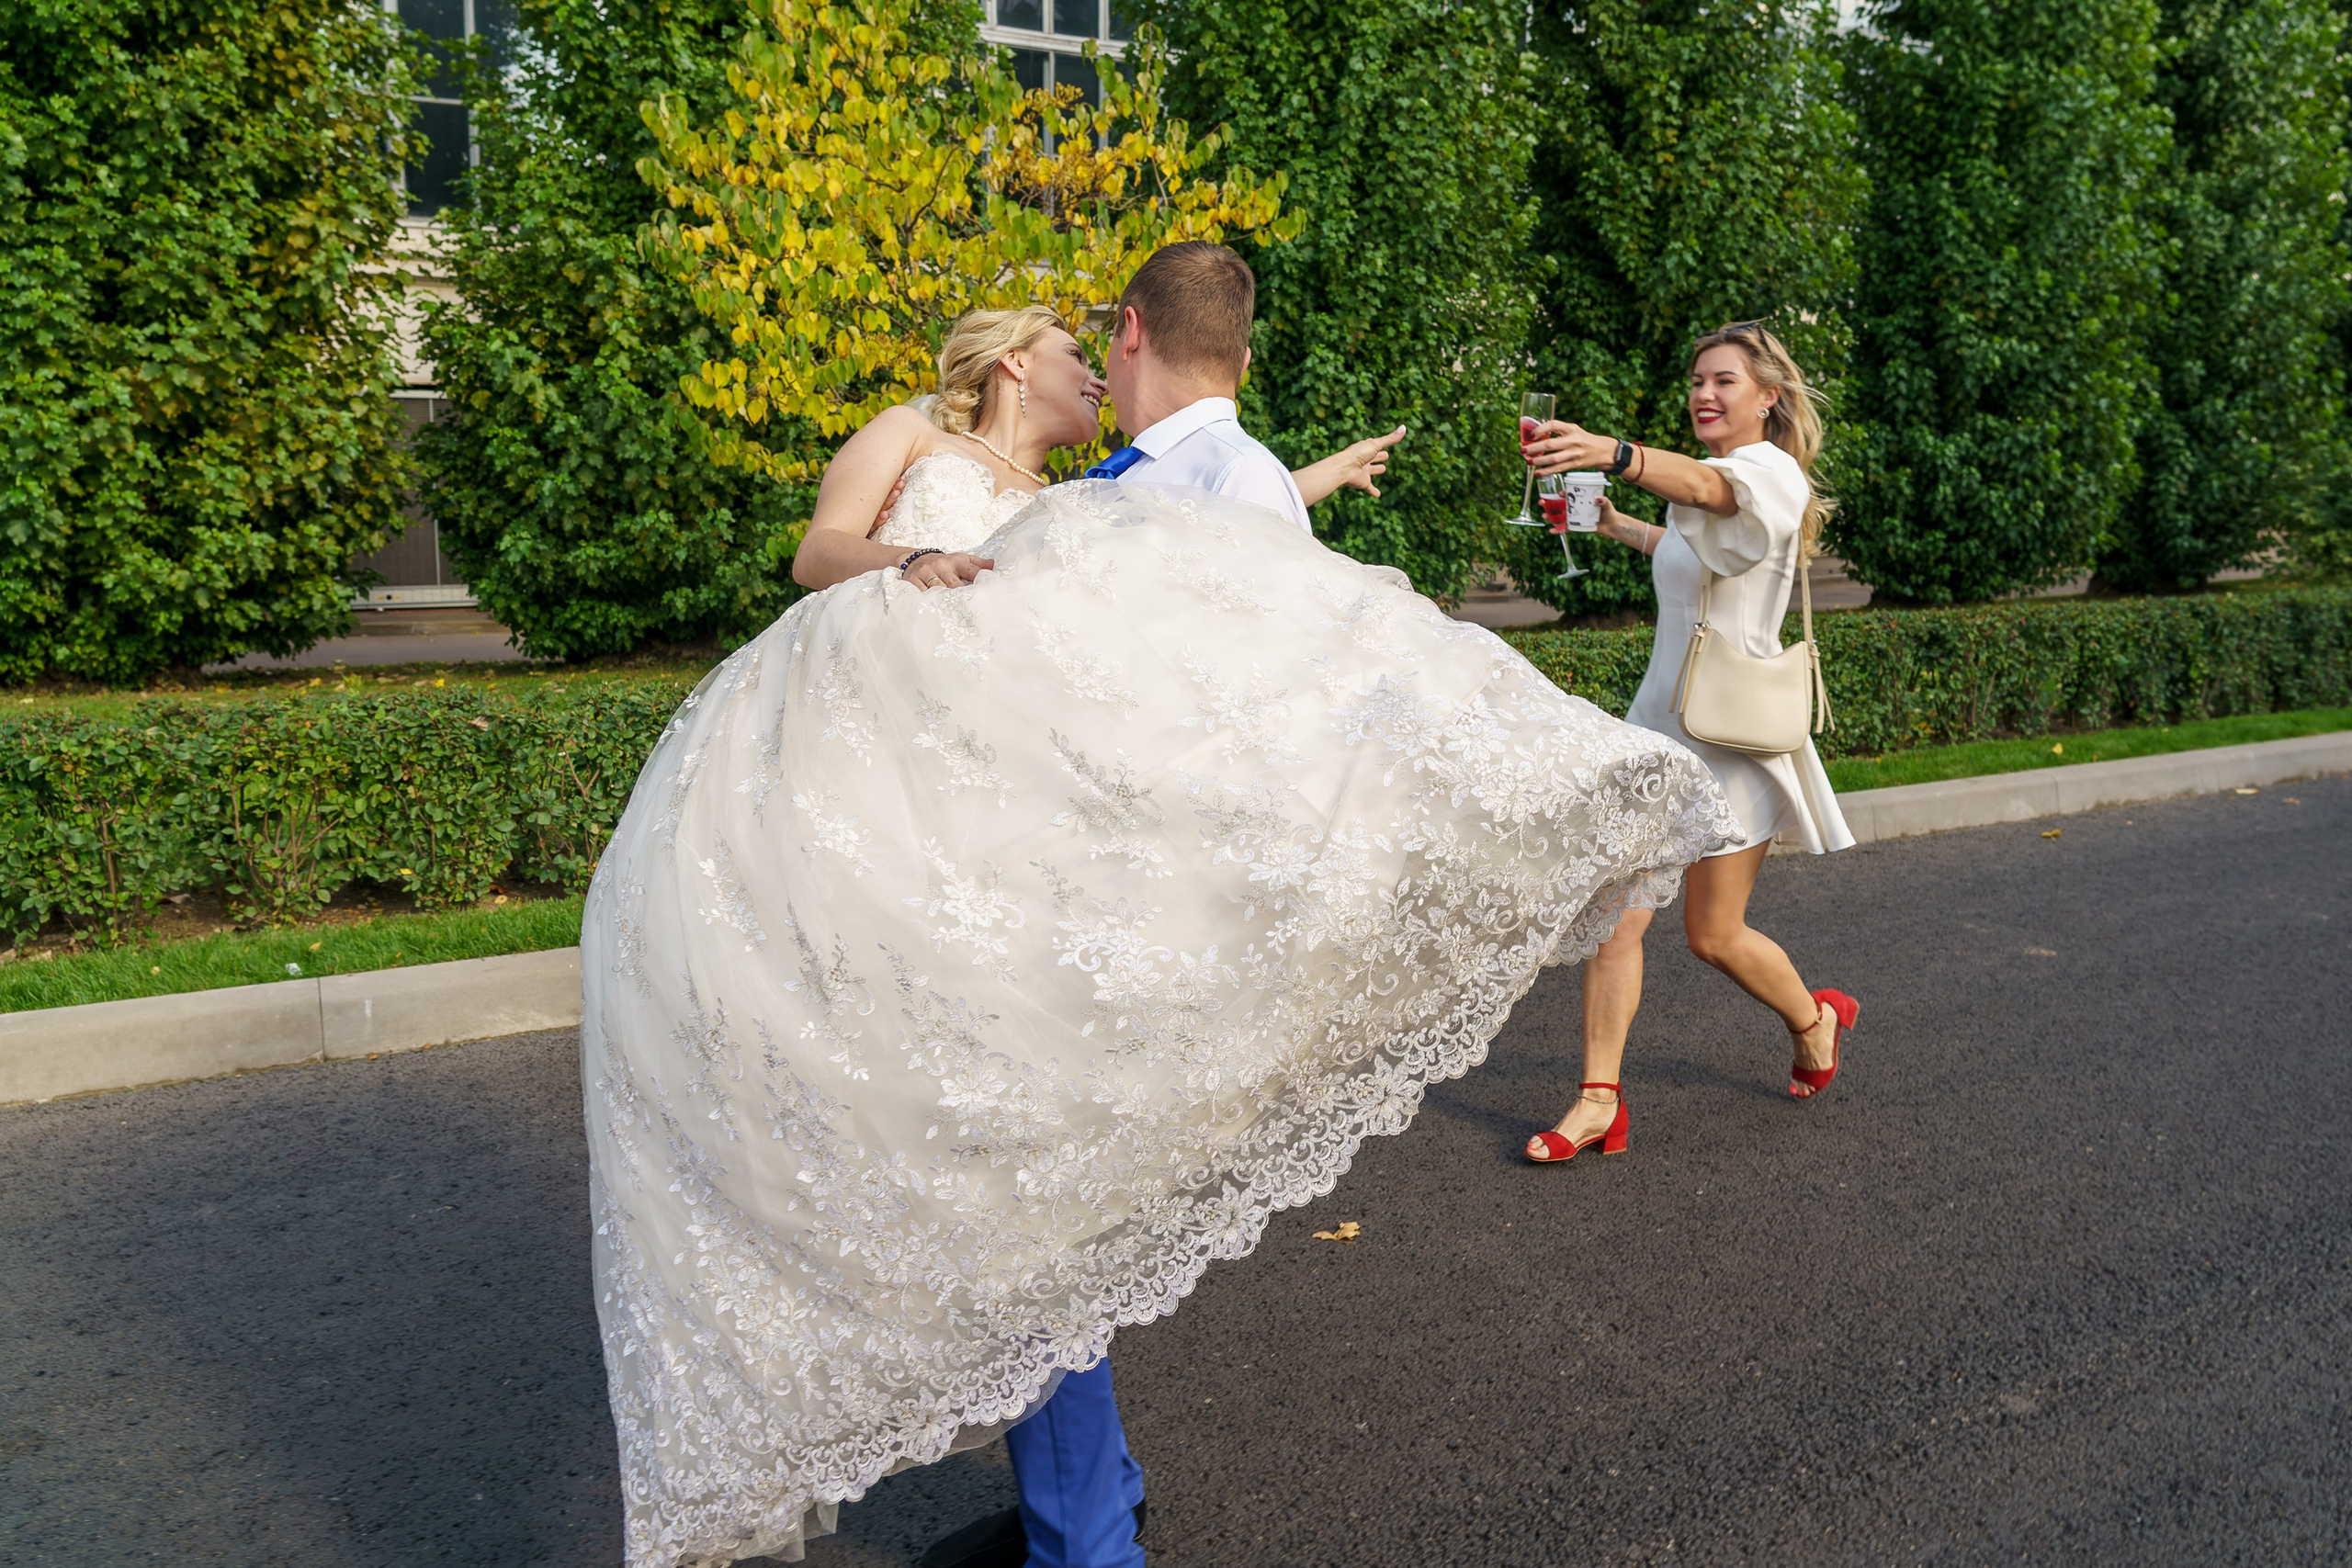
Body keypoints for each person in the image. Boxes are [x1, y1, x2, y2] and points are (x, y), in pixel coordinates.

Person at [579, 243, 1739, 1568]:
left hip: (1043, 881)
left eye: (1099, 343)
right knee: (1007, 1198)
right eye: (1065, 349)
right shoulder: (974, 456)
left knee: (1027, 1209)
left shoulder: (1102, 496)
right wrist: (917, 568)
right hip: (912, 832)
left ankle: (1089, 1526)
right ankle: (1090, 1509)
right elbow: (844, 557)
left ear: (1133, 332)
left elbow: (1236, 620)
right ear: (1013, 364)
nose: (1087, 364)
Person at [1518, 321, 1860, 1167]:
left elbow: (1713, 492)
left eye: (1724, 381)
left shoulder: (1769, 473)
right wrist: (1614, 523)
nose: (1704, 394)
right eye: (1698, 381)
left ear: (1768, 396)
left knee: (1714, 935)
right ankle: (1599, 1100)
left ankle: (1814, 1017)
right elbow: (1691, 547)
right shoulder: (1711, 484)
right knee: (1618, 917)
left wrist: (1617, 453)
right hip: (1661, 730)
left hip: (1732, 739)